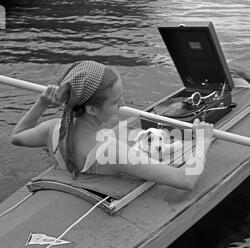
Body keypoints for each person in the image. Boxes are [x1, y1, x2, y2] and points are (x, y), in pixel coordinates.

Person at [10, 60, 214, 190]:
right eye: (116, 101)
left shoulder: (53, 128)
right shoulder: (110, 150)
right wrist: (203, 141)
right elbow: (185, 180)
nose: (123, 104)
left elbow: (17, 135)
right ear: (91, 109)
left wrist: (42, 103)